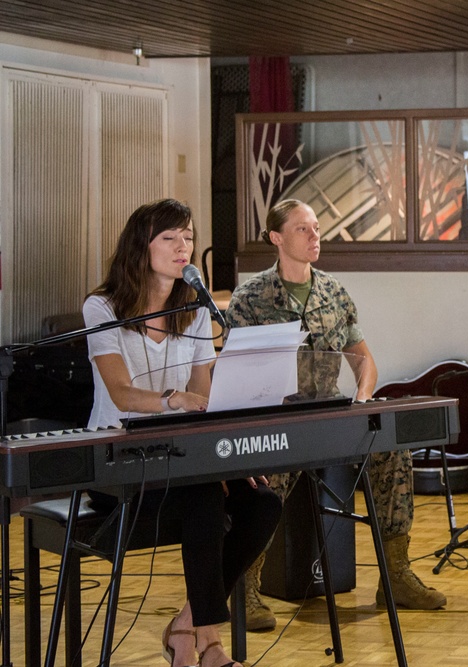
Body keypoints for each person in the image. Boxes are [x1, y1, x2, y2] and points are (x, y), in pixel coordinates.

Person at [227, 199, 446, 632]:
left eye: (316, 229)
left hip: (330, 415)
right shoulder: (249, 298)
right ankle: (245, 585)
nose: (315, 237)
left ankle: (395, 574)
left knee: (391, 449)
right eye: (303, 230)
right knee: (273, 470)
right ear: (276, 238)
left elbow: (364, 363)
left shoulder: (333, 291)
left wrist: (363, 402)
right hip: (280, 420)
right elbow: (237, 374)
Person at [82, 198, 283, 667]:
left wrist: (229, 462)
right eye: (170, 238)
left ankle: (187, 626)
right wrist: (173, 401)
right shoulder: (103, 306)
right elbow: (121, 393)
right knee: (204, 497)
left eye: (188, 237)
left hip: (181, 462)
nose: (183, 248)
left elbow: (204, 398)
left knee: (262, 504)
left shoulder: (193, 310)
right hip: (116, 466)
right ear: (141, 246)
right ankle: (208, 643)